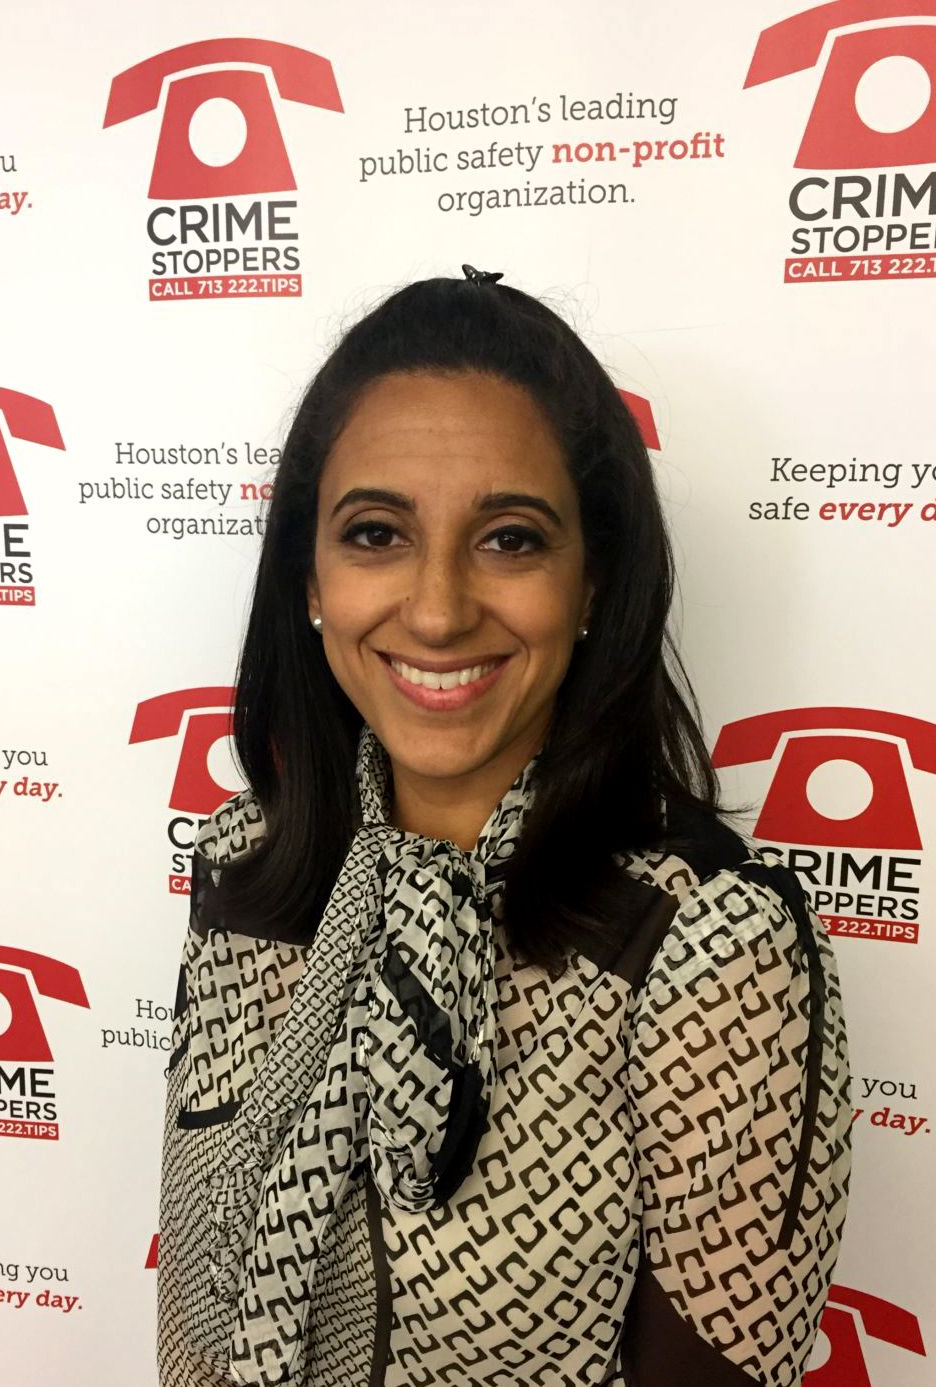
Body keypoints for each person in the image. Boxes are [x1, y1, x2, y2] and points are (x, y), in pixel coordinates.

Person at [156, 266, 852, 1387]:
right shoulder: (251, 862)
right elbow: (190, 1321)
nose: (435, 609)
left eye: (510, 540)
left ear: (590, 584)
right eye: (375, 532)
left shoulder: (711, 945)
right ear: (309, 580)